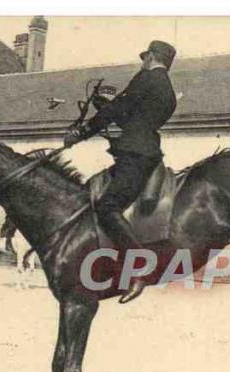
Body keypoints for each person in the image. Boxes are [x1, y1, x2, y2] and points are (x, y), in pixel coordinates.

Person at [64, 40, 177, 303]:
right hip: (145, 150)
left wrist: (81, 133)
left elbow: (119, 109)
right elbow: (136, 118)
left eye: (145, 57)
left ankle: (139, 270)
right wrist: (108, 108)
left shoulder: (146, 78)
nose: (143, 61)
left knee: (107, 206)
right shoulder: (167, 91)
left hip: (135, 154)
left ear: (151, 57)